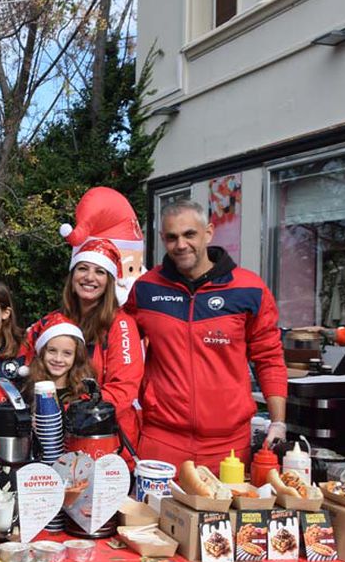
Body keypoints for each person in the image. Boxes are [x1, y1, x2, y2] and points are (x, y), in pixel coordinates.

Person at [123, 199, 288, 471]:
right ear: (163, 239)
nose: (181, 245)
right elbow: (118, 342)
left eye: (189, 234)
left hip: (228, 444)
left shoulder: (249, 289)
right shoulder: (146, 289)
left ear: (208, 233)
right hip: (162, 438)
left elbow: (269, 357)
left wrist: (278, 422)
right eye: (172, 237)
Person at [25, 236, 144, 447]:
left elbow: (123, 389)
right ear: (72, 276)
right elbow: (23, 360)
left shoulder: (121, 324)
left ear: (109, 281)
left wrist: (70, 412)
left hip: (106, 436)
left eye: (100, 272)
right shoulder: (52, 321)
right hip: (53, 436)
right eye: (82, 269)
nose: (89, 277)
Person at [22, 314, 95, 409]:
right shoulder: (28, 390)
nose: (58, 359)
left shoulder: (84, 392)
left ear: (77, 356)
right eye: (52, 351)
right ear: (42, 352)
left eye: (67, 353)